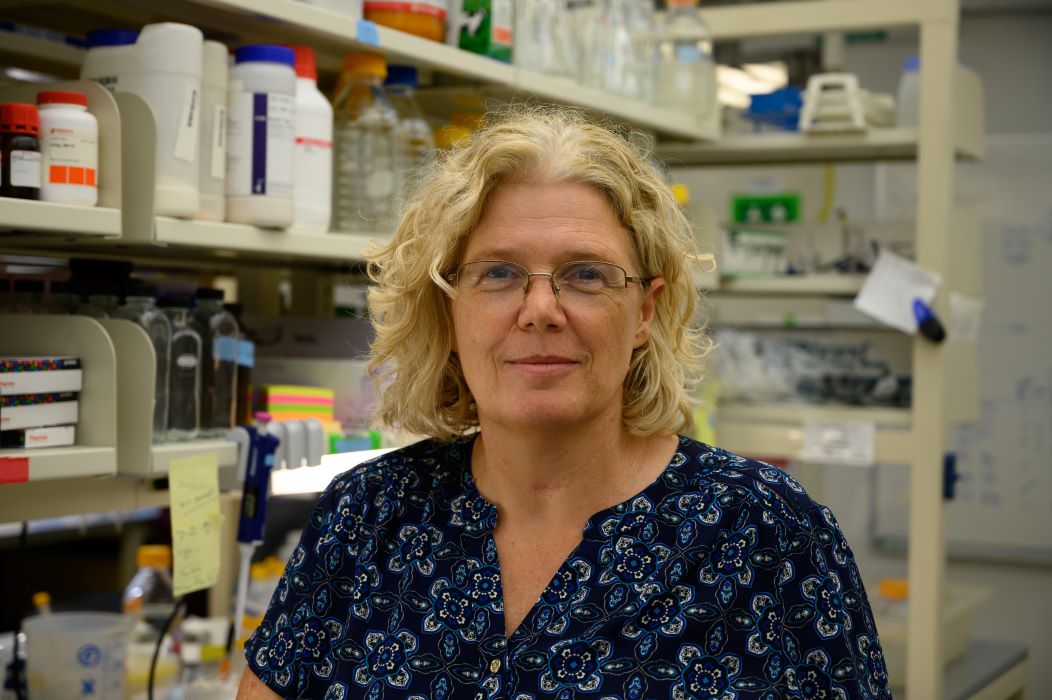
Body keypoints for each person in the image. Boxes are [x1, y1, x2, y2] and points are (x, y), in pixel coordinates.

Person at [238, 105, 891, 699]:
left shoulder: (772, 538)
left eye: (585, 274)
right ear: (450, 310)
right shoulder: (364, 518)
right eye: (499, 273)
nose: (541, 310)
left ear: (644, 311)